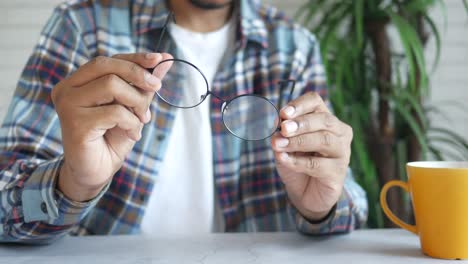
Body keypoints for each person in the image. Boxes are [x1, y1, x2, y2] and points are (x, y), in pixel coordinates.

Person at [0, 0, 367, 243]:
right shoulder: (82, 26)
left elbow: (350, 202)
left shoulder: (294, 46)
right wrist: (73, 183)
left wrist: (320, 206)